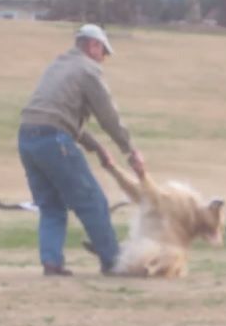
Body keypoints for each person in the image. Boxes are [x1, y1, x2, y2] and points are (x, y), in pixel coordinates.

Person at [17, 24, 145, 276]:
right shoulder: (88, 69)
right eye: (103, 51)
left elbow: (56, 115)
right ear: (93, 45)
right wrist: (130, 151)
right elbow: (107, 116)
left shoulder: (58, 65)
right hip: (54, 140)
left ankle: (51, 263)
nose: (104, 58)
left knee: (51, 206)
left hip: (27, 139)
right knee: (92, 201)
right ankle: (113, 262)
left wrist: (96, 147)